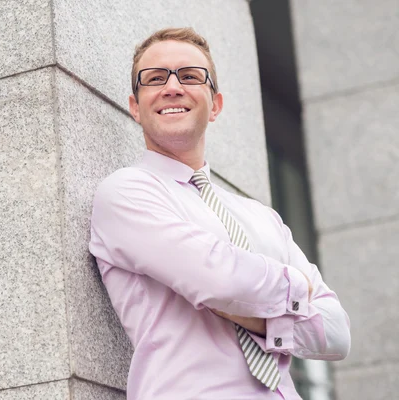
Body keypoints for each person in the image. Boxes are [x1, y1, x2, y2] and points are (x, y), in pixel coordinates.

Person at [88, 27, 351, 400]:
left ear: (216, 105)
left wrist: (249, 307)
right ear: (135, 106)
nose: (173, 87)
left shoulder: (262, 218)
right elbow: (217, 280)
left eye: (191, 76)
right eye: (155, 78)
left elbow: (337, 334)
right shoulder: (126, 193)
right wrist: (294, 286)